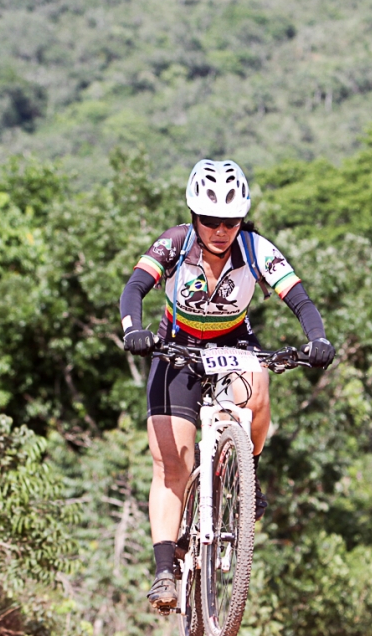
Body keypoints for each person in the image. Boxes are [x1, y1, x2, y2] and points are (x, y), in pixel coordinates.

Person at [119, 159, 335, 611]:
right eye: (210, 220)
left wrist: (318, 339)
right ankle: (164, 572)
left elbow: (300, 299)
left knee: (257, 387)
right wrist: (133, 330)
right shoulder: (175, 243)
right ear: (193, 216)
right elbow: (134, 288)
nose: (220, 230)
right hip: (176, 346)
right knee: (172, 464)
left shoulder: (255, 248)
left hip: (233, 343)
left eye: (231, 222)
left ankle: (247, 470)